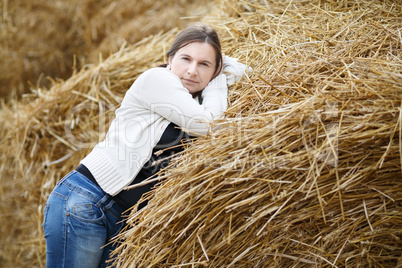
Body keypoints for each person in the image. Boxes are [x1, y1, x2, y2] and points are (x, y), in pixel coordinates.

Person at [42, 23, 250, 268]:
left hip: (126, 224)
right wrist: (217, 80)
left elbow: (245, 74)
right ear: (169, 59)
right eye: (186, 59)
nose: (192, 71)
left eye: (204, 64)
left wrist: (219, 68)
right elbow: (208, 125)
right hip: (87, 201)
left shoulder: (196, 101)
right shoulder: (157, 79)